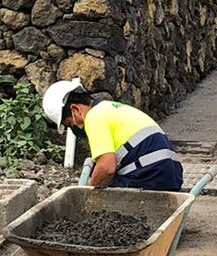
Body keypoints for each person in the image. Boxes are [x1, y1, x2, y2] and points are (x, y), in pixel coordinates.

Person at [41, 78, 183, 191]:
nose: (74, 129)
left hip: (150, 176)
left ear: (76, 109)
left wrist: (86, 194)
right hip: (171, 174)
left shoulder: (94, 117)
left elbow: (107, 168)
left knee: (101, 202)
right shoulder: (110, 108)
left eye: (70, 124)